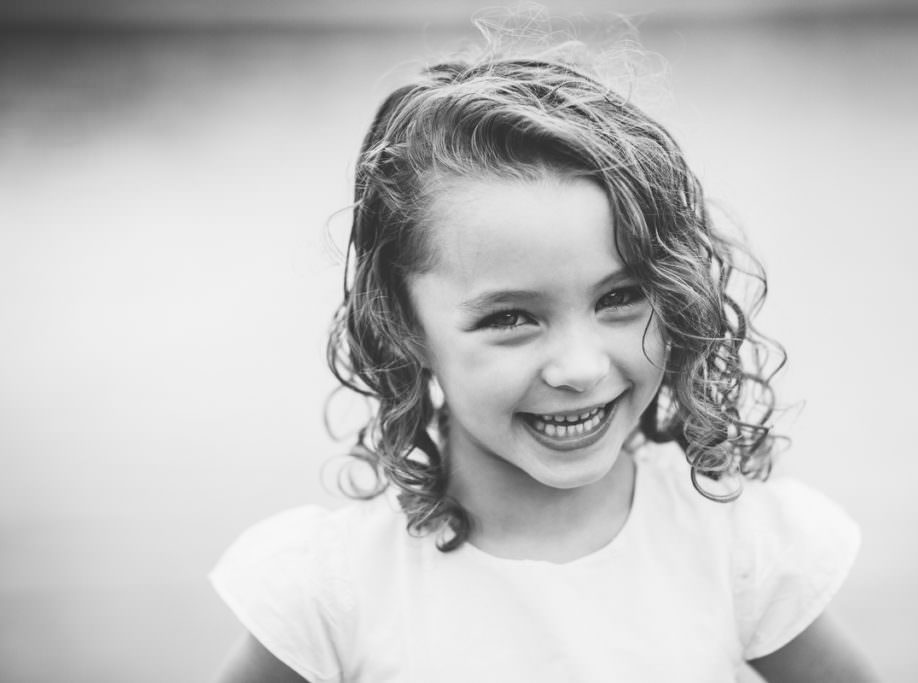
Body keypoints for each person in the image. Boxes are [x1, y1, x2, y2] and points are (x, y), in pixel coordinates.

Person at [210, 21, 876, 683]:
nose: (581, 367)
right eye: (511, 317)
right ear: (402, 324)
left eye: (619, 298)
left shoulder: (737, 546)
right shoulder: (333, 593)